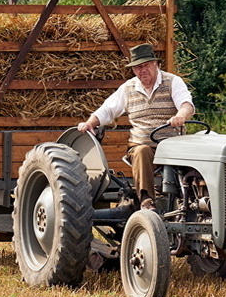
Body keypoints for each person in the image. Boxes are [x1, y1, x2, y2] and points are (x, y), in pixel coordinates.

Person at [78, 43, 195, 210]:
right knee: (142, 150)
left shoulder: (173, 82)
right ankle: (147, 201)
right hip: (143, 146)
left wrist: (180, 116)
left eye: (146, 65)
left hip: (173, 146)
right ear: (133, 70)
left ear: (156, 64)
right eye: (138, 67)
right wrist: (90, 123)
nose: (142, 70)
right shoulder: (128, 88)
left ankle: (192, 199)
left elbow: (186, 104)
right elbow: (107, 110)